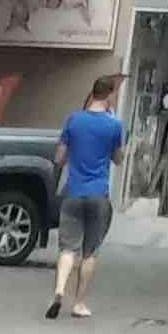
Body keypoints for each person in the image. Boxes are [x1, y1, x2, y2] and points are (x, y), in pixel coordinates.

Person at [47, 67, 127, 319]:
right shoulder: (115, 125)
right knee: (90, 252)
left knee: (67, 249)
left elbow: (59, 158)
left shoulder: (73, 120)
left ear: (92, 93)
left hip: (73, 193)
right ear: (110, 96)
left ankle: (59, 291)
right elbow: (118, 159)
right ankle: (79, 304)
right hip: (98, 195)